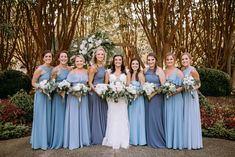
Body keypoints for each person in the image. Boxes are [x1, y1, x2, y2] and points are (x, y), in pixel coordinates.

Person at [102, 54, 129, 149]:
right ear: (113, 61)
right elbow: (106, 86)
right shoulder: (108, 72)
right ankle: (111, 139)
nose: (118, 61)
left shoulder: (126, 72)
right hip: (112, 99)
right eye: (116, 59)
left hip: (122, 99)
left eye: (120, 59)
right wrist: (111, 91)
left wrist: (122, 91)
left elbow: (128, 86)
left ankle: (123, 139)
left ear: (122, 61)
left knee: (122, 117)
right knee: (112, 117)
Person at [63, 55, 90, 150]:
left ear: (84, 62)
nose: (79, 63)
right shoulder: (71, 72)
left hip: (84, 97)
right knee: (74, 117)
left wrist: (85, 89)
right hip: (73, 97)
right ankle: (74, 140)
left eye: (81, 61)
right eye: (77, 61)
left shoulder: (87, 71)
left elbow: (88, 84)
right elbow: (66, 86)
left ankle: (84, 139)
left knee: (83, 116)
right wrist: (74, 91)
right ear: (75, 63)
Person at [31, 50, 53, 150]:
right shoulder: (39, 69)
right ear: (43, 58)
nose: (48, 58)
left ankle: (47, 140)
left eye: (50, 57)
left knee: (47, 117)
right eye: (46, 57)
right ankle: (39, 142)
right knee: (40, 117)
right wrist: (41, 86)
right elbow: (33, 82)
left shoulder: (52, 69)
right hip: (40, 95)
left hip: (49, 96)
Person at [181, 53, 203, 150]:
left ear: (190, 59)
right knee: (185, 116)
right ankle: (186, 141)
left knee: (191, 116)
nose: (184, 61)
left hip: (191, 95)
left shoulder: (193, 70)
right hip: (184, 95)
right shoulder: (182, 70)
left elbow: (198, 84)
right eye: (182, 59)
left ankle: (193, 142)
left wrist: (190, 86)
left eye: (186, 59)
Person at [144, 53, 166, 148]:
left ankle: (158, 140)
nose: (150, 62)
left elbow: (163, 86)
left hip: (156, 97)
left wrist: (152, 94)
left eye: (152, 60)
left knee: (156, 118)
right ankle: (150, 140)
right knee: (149, 118)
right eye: (149, 60)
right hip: (147, 97)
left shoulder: (159, 70)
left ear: (155, 60)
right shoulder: (146, 70)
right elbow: (142, 80)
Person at [50, 50, 71, 149]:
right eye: (61, 57)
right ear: (58, 58)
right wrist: (59, 90)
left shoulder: (70, 69)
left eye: (65, 57)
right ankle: (59, 140)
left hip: (68, 97)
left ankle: (67, 139)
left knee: (67, 118)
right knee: (59, 118)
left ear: (67, 58)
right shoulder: (55, 69)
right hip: (58, 97)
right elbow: (51, 84)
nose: (63, 58)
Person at [164, 53, 184, 149]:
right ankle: (168, 142)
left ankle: (177, 143)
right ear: (165, 61)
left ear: (174, 60)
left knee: (176, 119)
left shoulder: (179, 72)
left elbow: (183, 86)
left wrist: (174, 91)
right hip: (167, 99)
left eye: (171, 59)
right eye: (167, 59)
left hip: (176, 98)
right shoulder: (163, 72)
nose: (169, 61)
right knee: (168, 118)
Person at [88, 47, 108, 145]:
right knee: (96, 114)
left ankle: (103, 134)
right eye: (98, 54)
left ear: (104, 56)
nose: (100, 56)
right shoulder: (93, 67)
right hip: (95, 94)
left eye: (102, 54)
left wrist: (104, 91)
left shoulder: (103, 67)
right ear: (95, 56)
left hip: (102, 93)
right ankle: (96, 136)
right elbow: (90, 83)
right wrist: (97, 91)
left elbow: (105, 81)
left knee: (103, 113)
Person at [127, 58, 146, 146]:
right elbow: (127, 85)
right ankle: (132, 139)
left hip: (138, 99)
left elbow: (143, 88)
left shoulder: (140, 74)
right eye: (133, 64)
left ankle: (140, 140)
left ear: (139, 65)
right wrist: (130, 92)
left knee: (138, 118)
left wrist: (136, 94)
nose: (135, 65)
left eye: (136, 64)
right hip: (131, 99)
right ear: (131, 65)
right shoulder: (129, 73)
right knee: (131, 118)